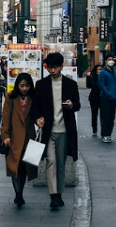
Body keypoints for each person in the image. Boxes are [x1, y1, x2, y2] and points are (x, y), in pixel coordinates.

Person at [31, 52, 80, 210]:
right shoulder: (41, 84)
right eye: (50, 67)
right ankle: (53, 195)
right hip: (48, 130)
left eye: (55, 67)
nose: (52, 70)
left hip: (65, 130)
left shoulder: (70, 84)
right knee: (51, 161)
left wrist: (71, 104)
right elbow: (35, 106)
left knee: (61, 162)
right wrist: (38, 118)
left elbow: (78, 105)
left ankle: (59, 193)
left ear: (61, 66)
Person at [0, 73, 38, 208]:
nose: (24, 89)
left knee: (24, 167)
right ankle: (18, 194)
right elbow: (5, 117)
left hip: (29, 136)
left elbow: (37, 114)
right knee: (14, 167)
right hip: (14, 136)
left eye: (27, 86)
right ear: (17, 85)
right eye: (22, 86)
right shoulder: (11, 96)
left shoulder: (34, 97)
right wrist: (5, 136)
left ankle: (20, 192)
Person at [98, 54, 116, 143]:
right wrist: (108, 93)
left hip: (113, 98)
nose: (111, 61)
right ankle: (104, 134)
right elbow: (101, 85)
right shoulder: (103, 72)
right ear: (106, 61)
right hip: (105, 98)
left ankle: (109, 134)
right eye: (109, 59)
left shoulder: (115, 72)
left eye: (112, 59)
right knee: (105, 117)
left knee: (112, 117)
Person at [86, 64, 103, 137]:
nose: (99, 71)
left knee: (103, 115)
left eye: (100, 69)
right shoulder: (92, 76)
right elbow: (89, 85)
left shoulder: (104, 76)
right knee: (94, 114)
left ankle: (103, 129)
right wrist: (88, 77)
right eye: (98, 69)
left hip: (102, 97)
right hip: (94, 97)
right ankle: (94, 129)